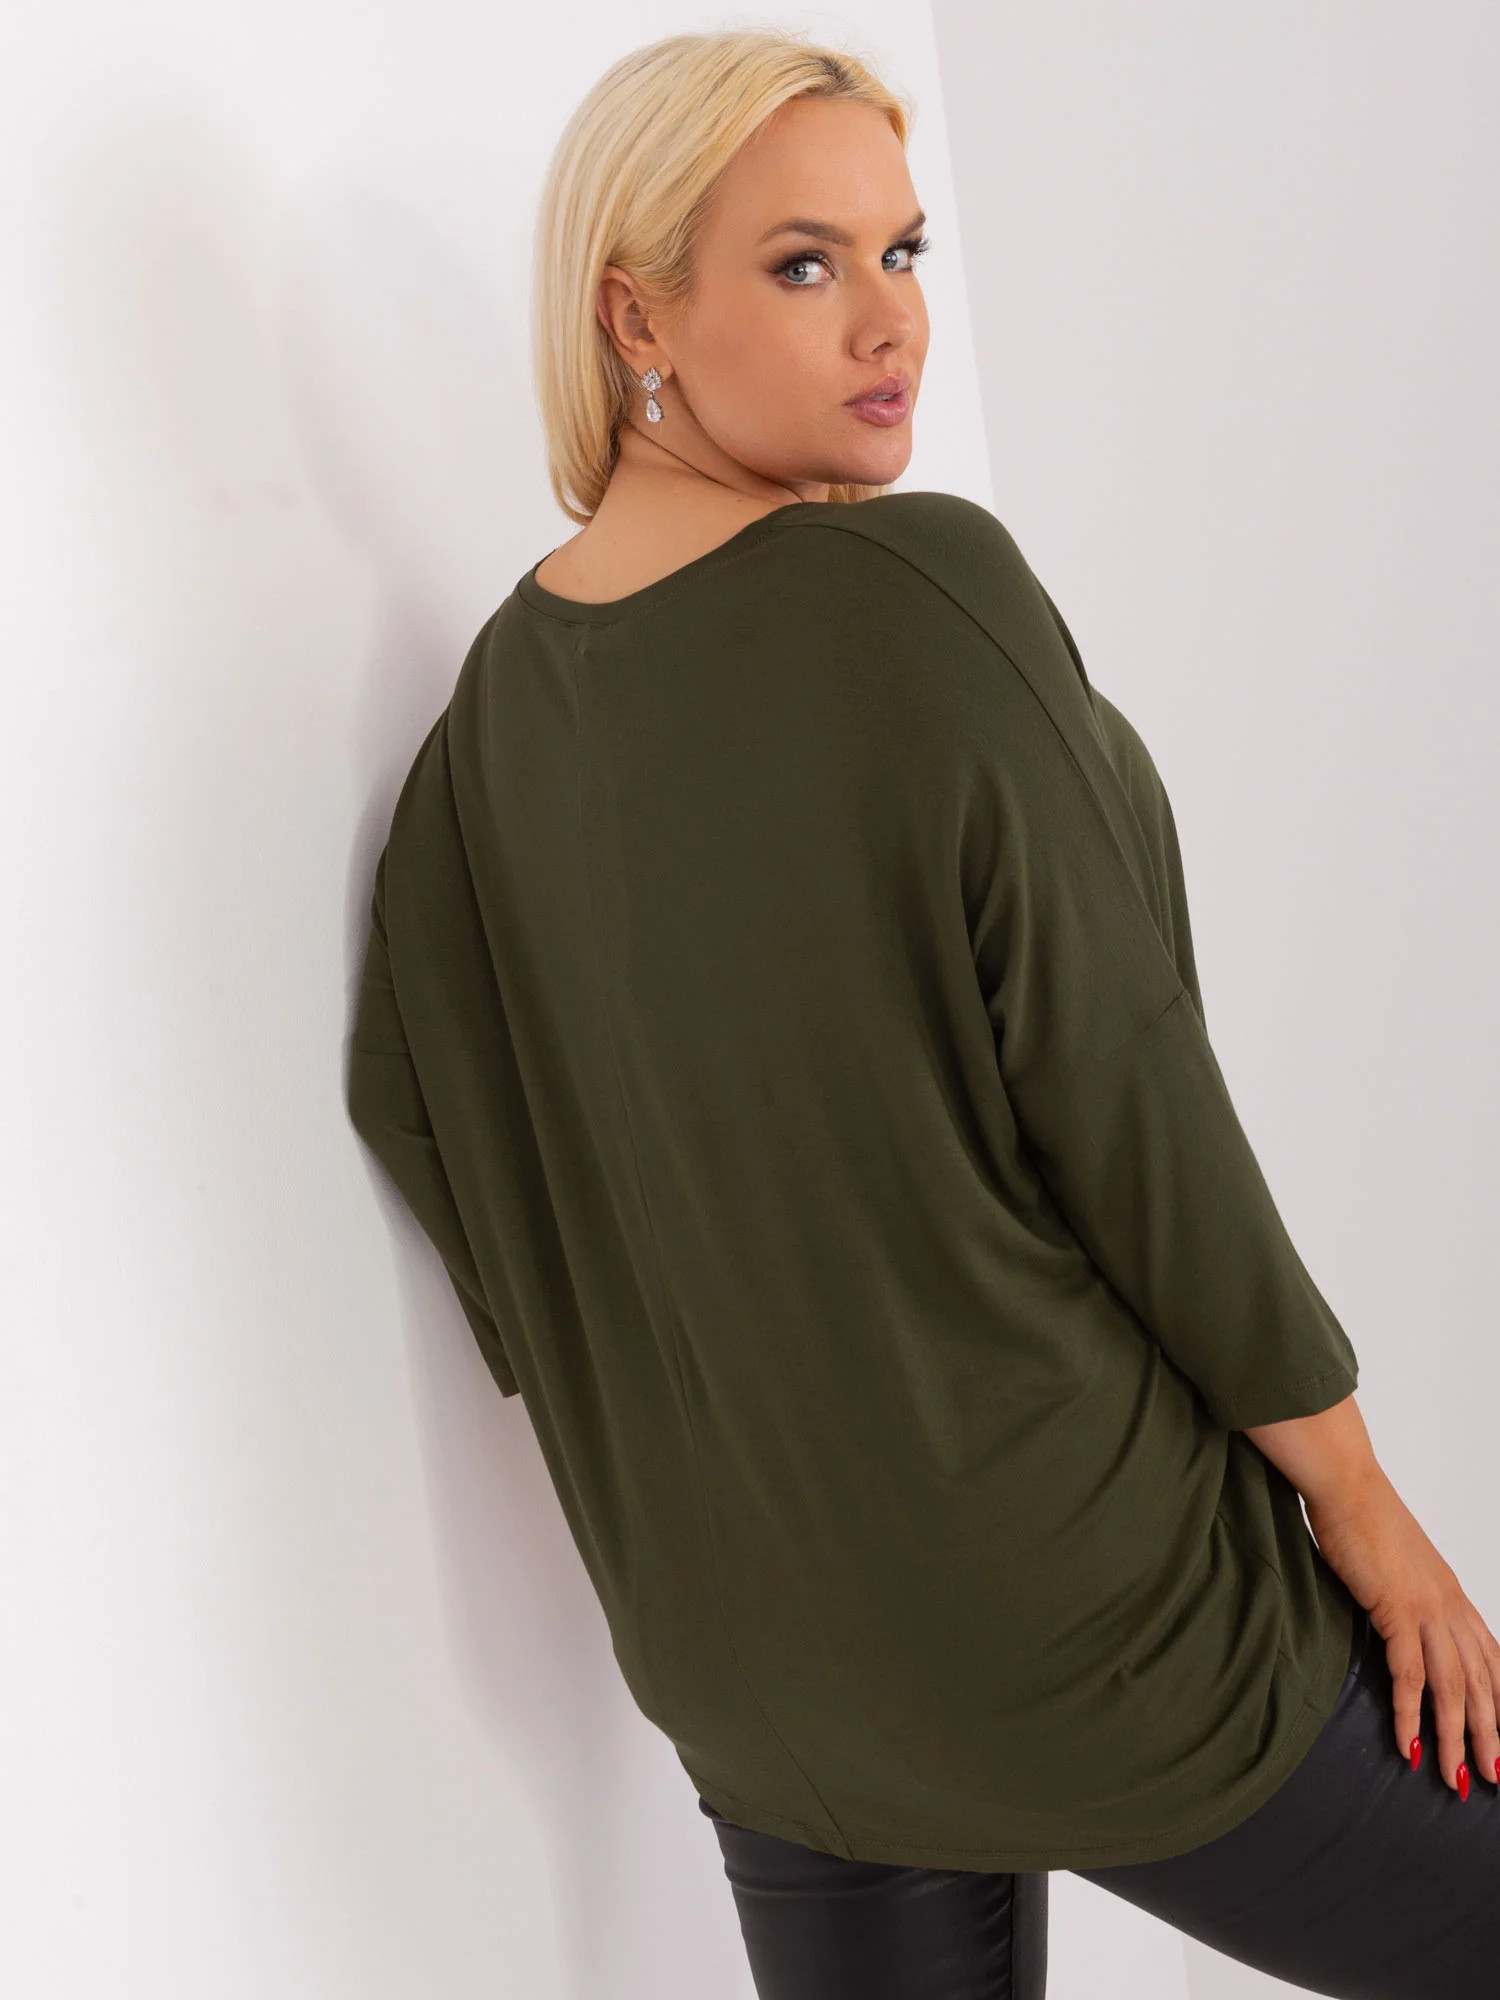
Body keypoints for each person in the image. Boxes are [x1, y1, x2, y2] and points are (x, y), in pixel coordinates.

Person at [344, 27, 1500, 1999]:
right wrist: (1366, 1510)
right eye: (805, 264)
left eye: (904, 251)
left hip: (757, 1675)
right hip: (1087, 1609)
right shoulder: (914, 594)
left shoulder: (482, 739)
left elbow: (432, 1121)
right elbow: (1135, 1109)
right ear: (636, 314)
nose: (891, 323)